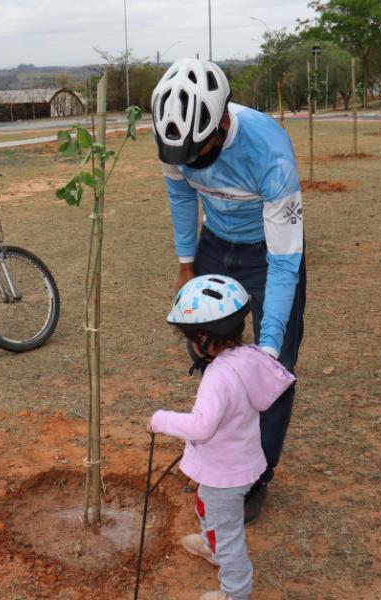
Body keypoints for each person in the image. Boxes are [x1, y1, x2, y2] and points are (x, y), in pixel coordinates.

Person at [151, 58, 306, 523]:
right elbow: (181, 197)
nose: (192, 163)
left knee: (271, 370)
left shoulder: (270, 155)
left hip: (268, 253)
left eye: (201, 151)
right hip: (215, 246)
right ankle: (215, 463)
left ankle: (256, 476)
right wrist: (186, 265)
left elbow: (284, 263)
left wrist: (270, 345)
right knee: (209, 352)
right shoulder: (174, 140)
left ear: (221, 122)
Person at [148, 275, 295, 600]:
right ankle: (211, 543)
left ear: (203, 337)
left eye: (189, 337)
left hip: (225, 476)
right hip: (239, 463)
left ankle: (235, 592)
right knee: (205, 506)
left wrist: (160, 419)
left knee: (229, 537)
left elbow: (201, 427)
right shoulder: (247, 356)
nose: (188, 343)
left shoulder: (217, 376)